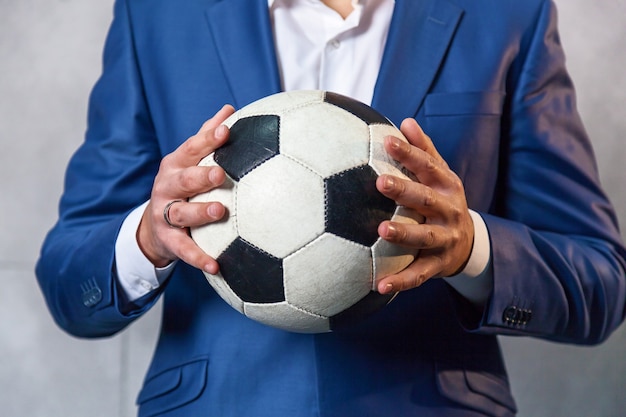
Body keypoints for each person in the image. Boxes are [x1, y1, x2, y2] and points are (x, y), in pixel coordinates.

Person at [36, 0, 626, 416]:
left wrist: (470, 248)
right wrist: (147, 236)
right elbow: (70, 279)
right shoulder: (158, 14)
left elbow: (601, 283)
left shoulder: (509, 14)